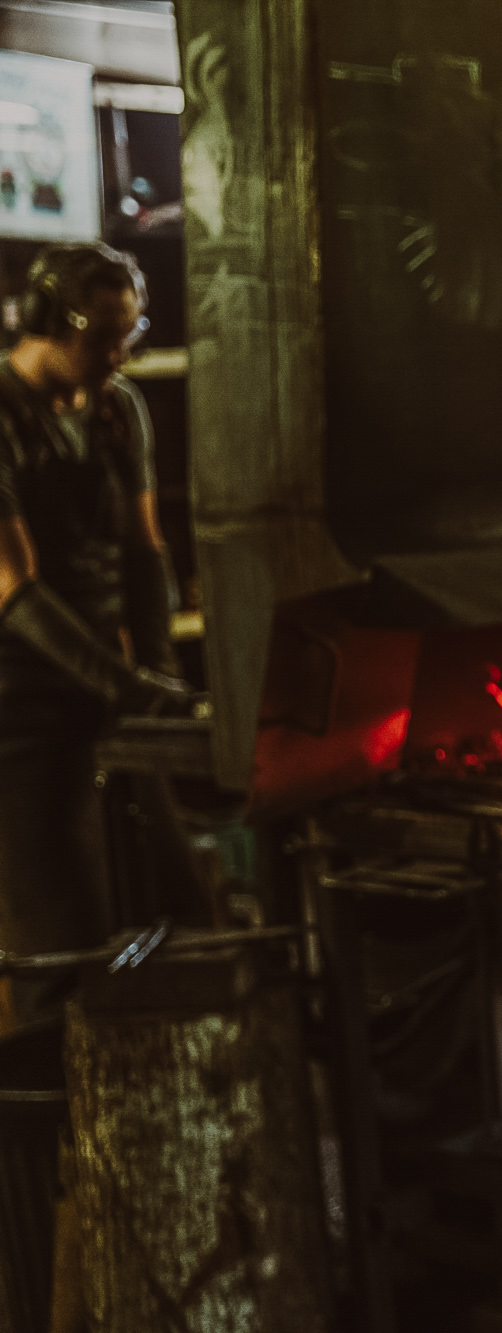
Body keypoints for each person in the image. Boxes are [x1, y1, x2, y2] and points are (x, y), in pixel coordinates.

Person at [0, 241, 190, 1027]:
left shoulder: (118, 409)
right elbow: (14, 587)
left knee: (181, 906)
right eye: (103, 338)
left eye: (130, 336)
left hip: (110, 694)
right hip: (21, 711)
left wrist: (158, 672)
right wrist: (128, 686)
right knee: (63, 942)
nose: (118, 354)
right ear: (53, 321)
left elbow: (145, 552)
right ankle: (51, 1130)